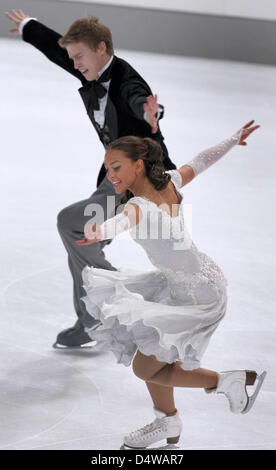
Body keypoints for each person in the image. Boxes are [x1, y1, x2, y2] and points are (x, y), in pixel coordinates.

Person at [76, 121, 266, 449]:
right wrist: (233, 139)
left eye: (117, 167)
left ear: (139, 165)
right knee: (150, 343)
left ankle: (227, 381)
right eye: (107, 168)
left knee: (144, 366)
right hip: (196, 281)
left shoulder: (137, 206)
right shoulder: (172, 183)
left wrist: (99, 231)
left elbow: (120, 221)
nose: (111, 175)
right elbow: (202, 160)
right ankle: (167, 420)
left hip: (195, 296)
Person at [5, 9, 176, 348]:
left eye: (80, 56)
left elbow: (138, 97)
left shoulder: (125, 78)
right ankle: (92, 321)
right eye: (74, 59)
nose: (76, 64)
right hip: (116, 177)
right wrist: (29, 26)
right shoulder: (93, 70)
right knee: (84, 244)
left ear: (101, 48)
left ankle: (116, 294)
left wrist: (149, 112)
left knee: (72, 225)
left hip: (141, 179)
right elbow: (58, 50)